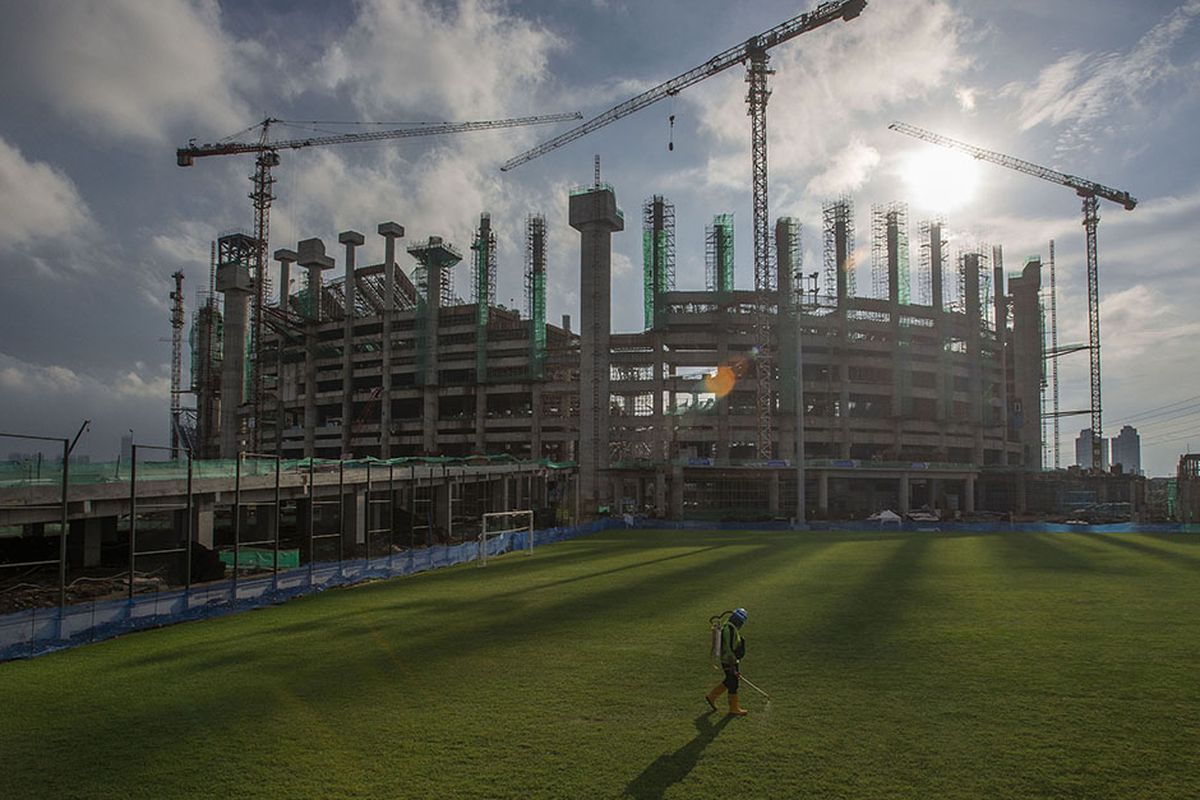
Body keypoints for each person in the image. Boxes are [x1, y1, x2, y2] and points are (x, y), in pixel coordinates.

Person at [705, 607, 749, 716]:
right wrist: (732, 666)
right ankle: (733, 708)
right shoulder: (729, 629)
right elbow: (729, 649)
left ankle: (712, 696)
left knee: (731, 680)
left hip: (730, 660)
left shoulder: (729, 626)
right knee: (733, 683)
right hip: (729, 660)